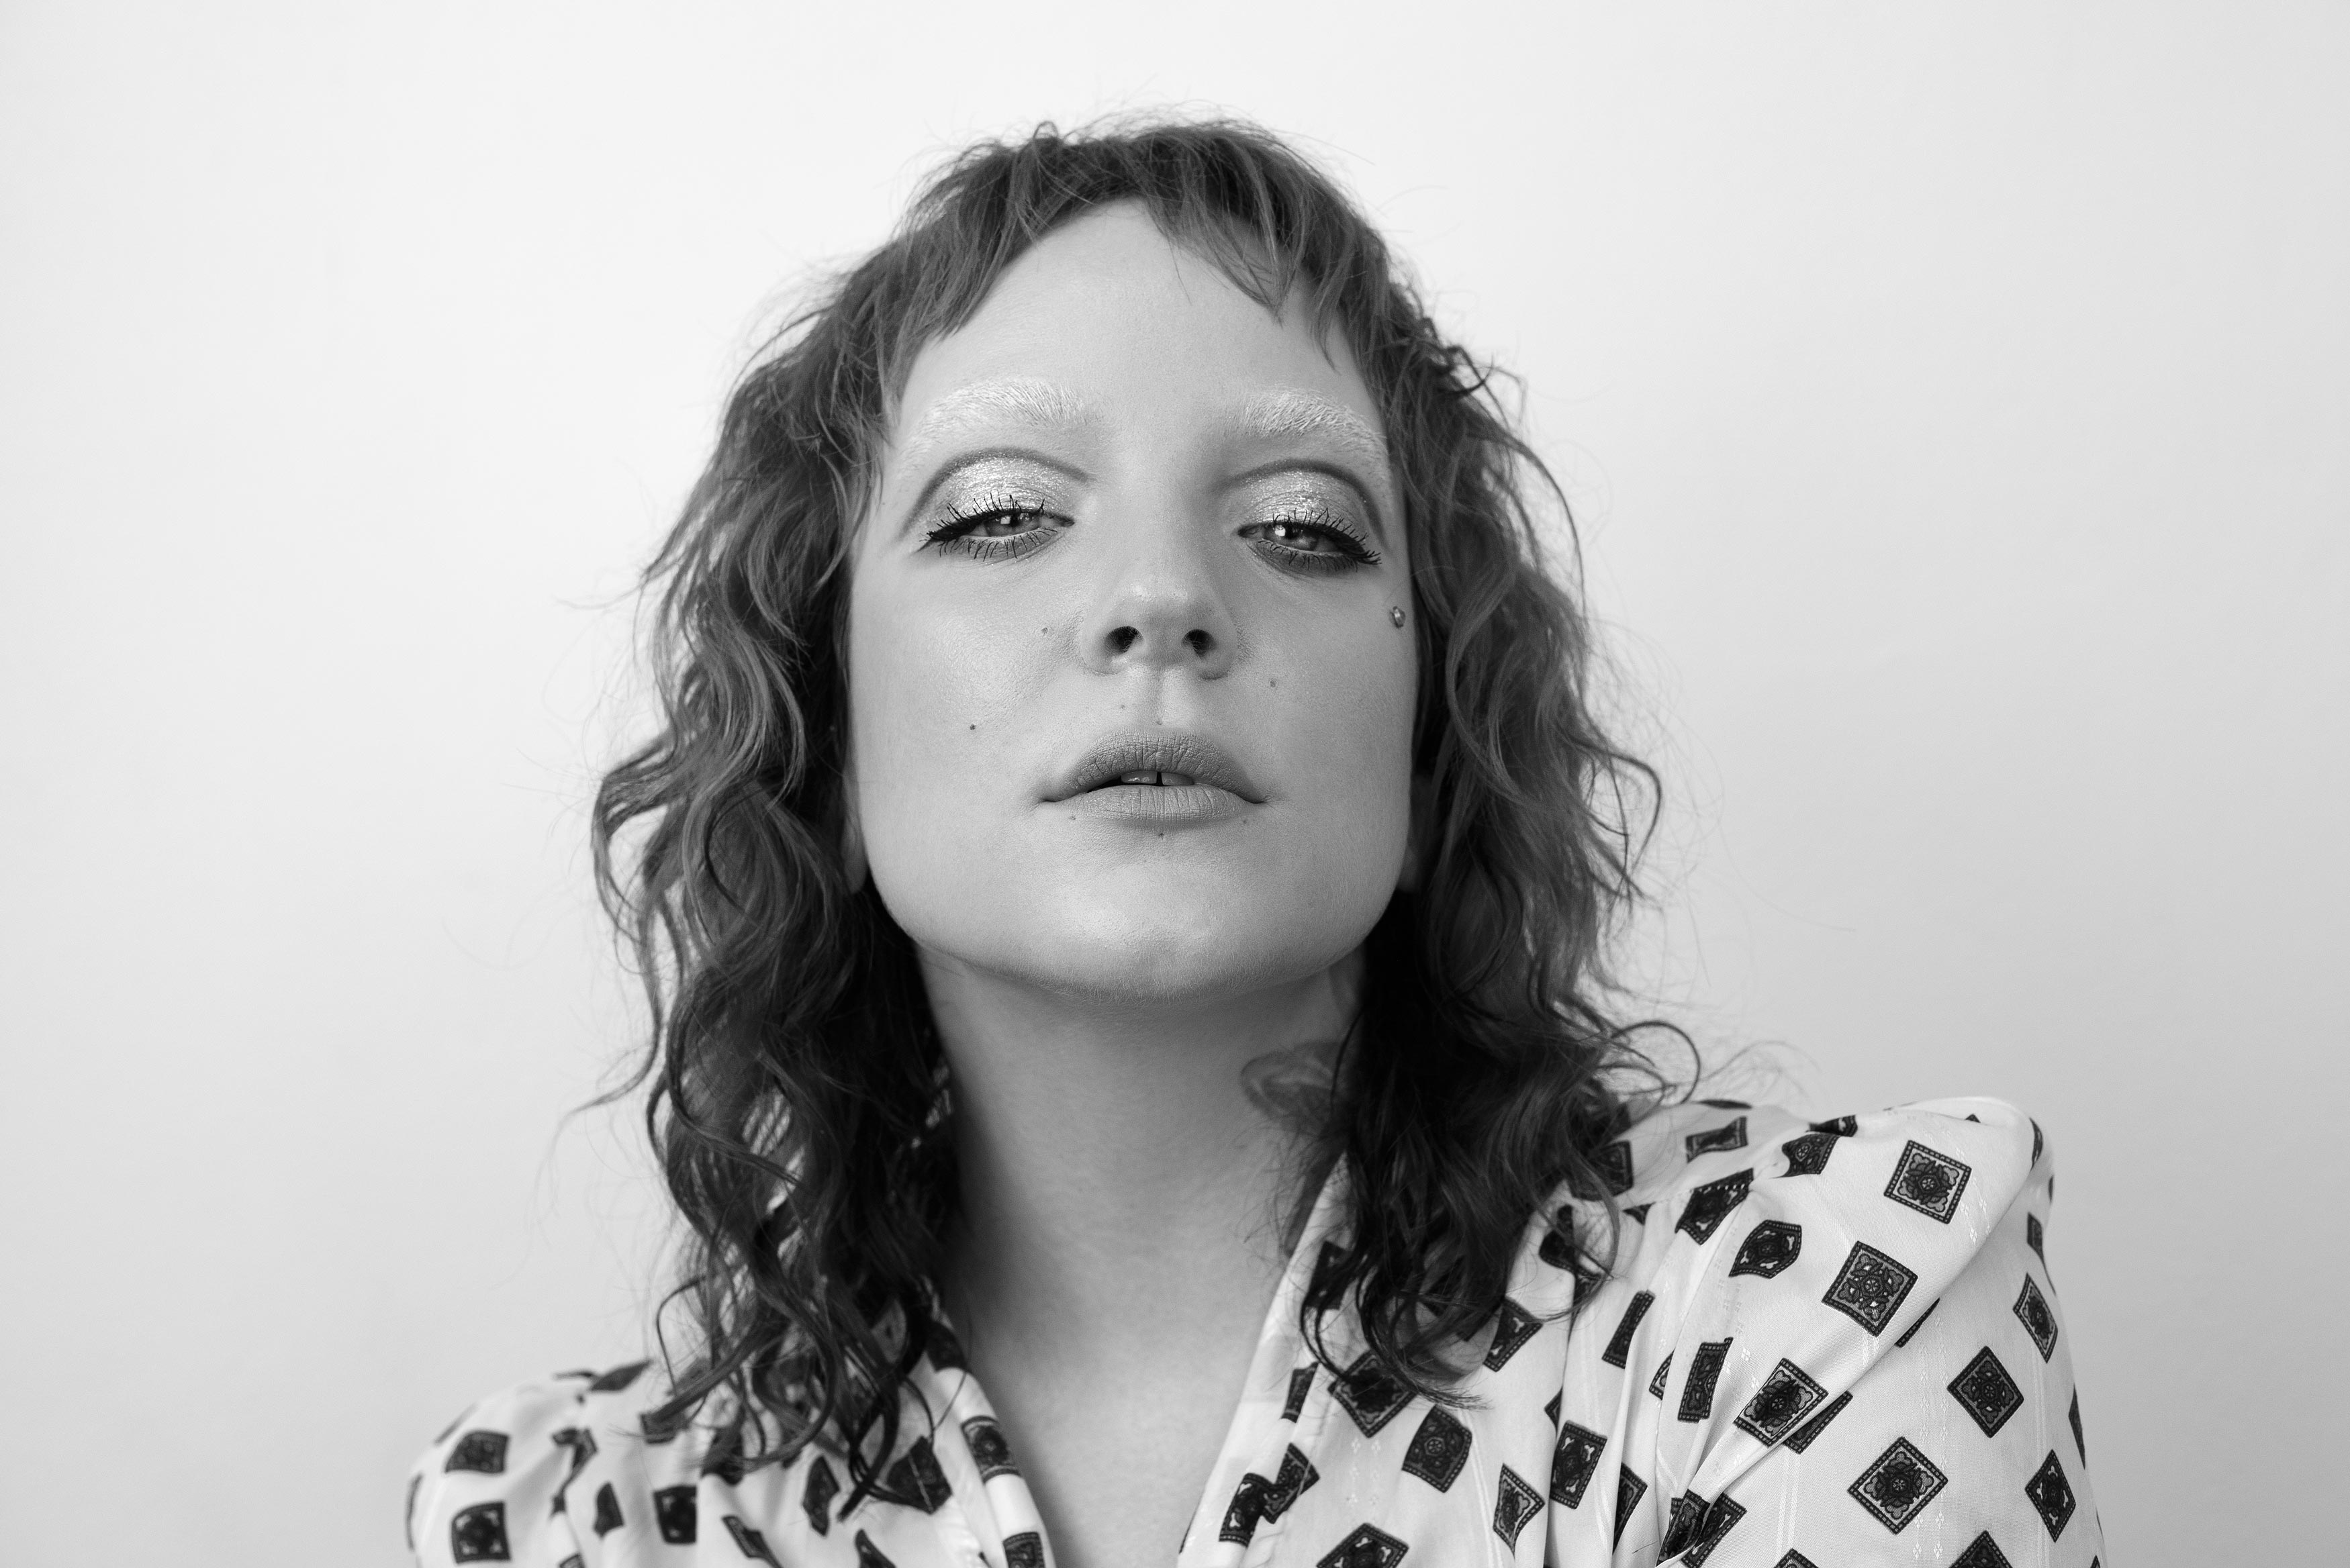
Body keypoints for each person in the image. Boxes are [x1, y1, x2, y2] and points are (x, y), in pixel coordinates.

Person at [406, 120, 2102, 1568]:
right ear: (825, 733)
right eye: (1001, 514)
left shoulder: (1830, 1305)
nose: (1161, 597)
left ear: (1429, 735)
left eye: (1300, 527)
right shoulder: (565, 1520)